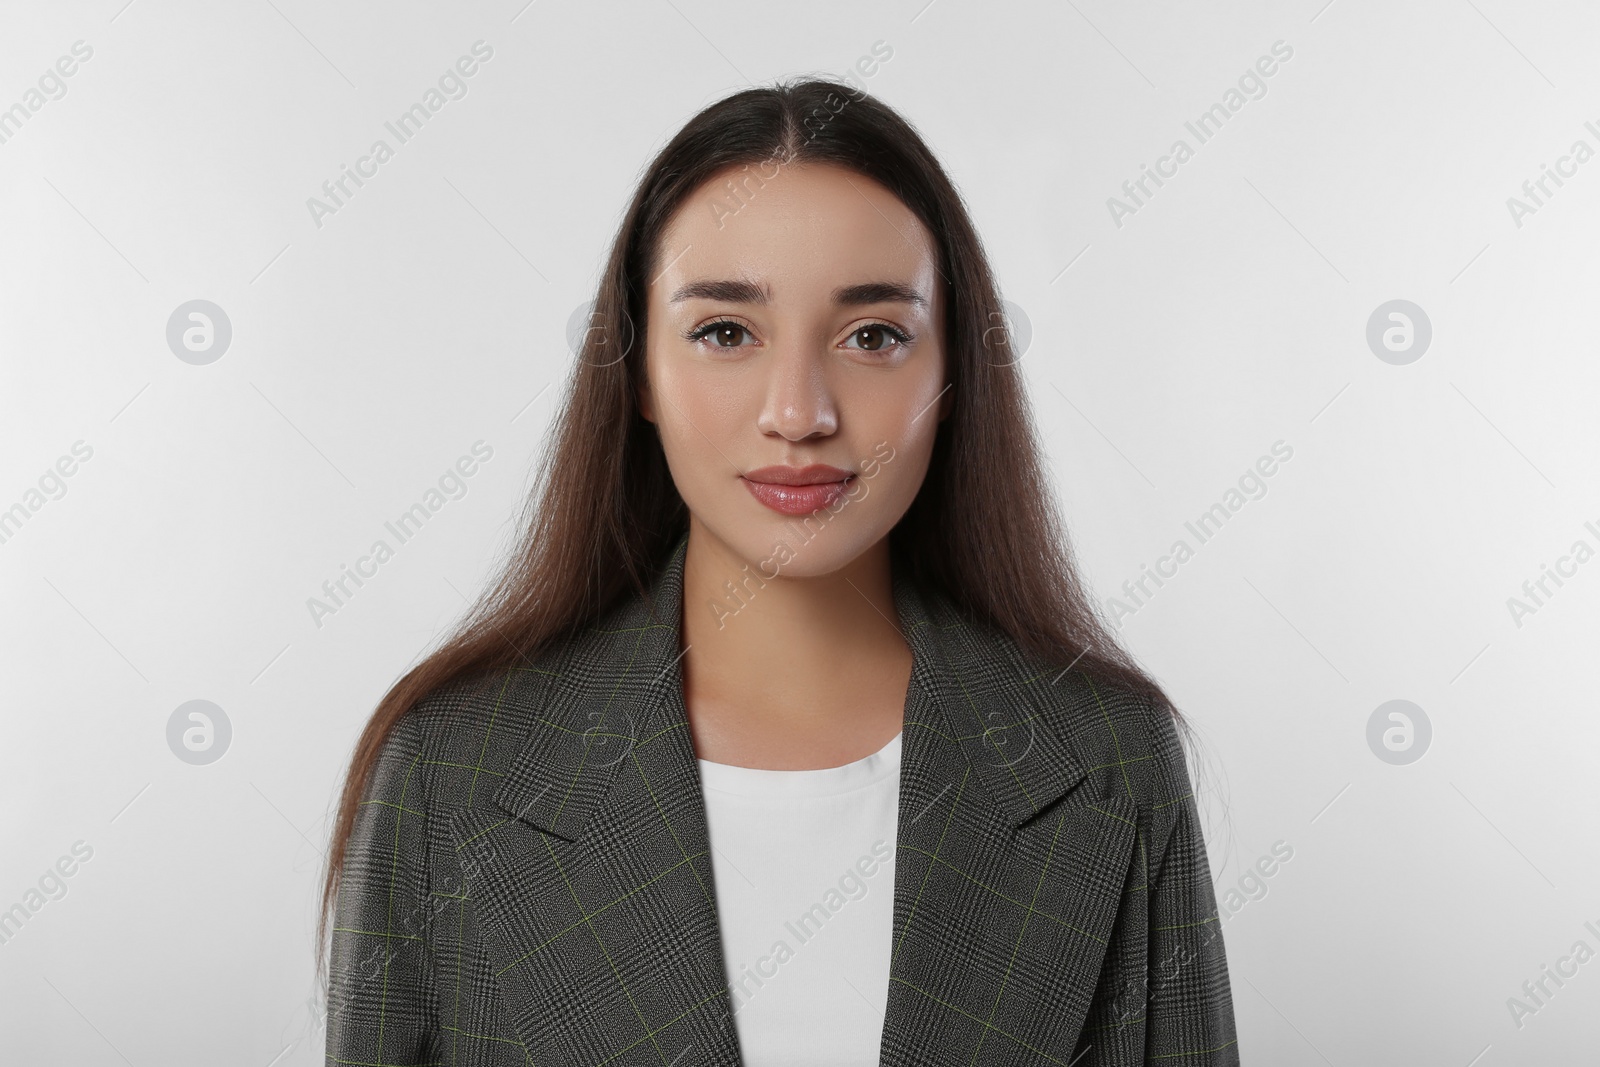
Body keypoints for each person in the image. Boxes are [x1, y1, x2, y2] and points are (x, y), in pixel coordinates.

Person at [318, 76, 1239, 1066]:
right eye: (725, 331)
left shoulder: (1108, 761)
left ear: (951, 374)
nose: (798, 412)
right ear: (637, 370)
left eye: (873, 335)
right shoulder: (453, 769)